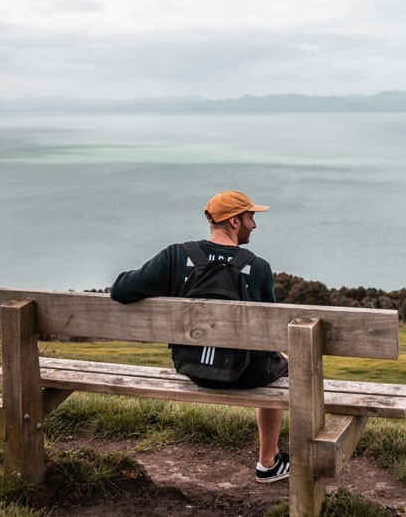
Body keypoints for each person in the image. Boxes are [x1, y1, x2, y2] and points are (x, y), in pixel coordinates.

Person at [110, 190, 290, 484]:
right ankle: (268, 462)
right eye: (250, 217)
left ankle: (270, 460)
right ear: (234, 221)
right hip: (245, 374)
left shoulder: (176, 256)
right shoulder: (258, 267)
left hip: (192, 368)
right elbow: (269, 334)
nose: (254, 225)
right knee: (285, 364)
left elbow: (120, 290)